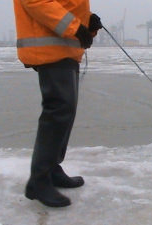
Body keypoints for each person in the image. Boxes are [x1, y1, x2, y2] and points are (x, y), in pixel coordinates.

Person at [13, 0, 102, 207]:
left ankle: (51, 168)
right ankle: (39, 179)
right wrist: (75, 27)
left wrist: (87, 22)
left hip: (65, 48)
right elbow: (36, 2)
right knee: (59, 109)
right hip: (50, 47)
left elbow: (67, 4)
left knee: (65, 111)